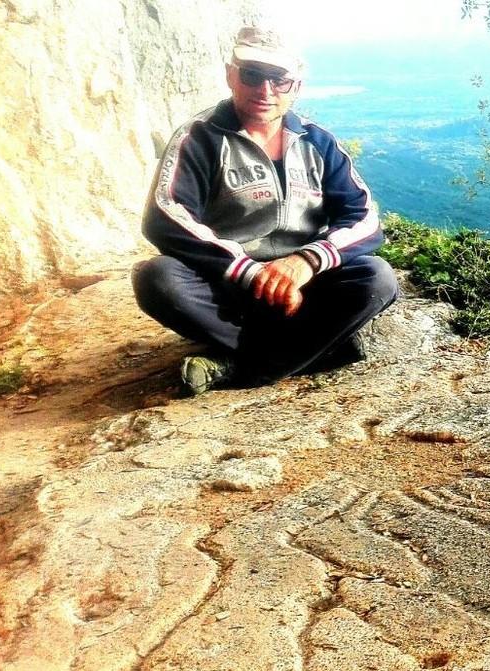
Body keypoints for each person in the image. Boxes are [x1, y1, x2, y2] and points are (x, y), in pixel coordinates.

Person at [133, 26, 399, 395]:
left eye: (280, 80)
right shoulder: (200, 138)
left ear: (297, 88)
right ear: (231, 75)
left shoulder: (318, 143)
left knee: (377, 277)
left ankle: (234, 364)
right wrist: (249, 272)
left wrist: (307, 261)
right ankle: (317, 350)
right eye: (252, 75)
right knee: (157, 279)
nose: (265, 90)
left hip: (304, 285)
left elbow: (364, 218)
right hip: (230, 285)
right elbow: (166, 214)